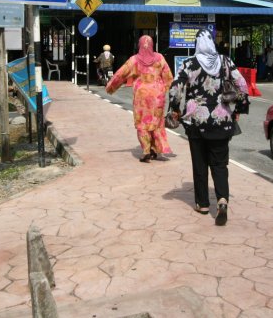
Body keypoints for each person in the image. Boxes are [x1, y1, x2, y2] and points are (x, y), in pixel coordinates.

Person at [168, 29, 250, 225]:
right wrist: (239, 106)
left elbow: (176, 87)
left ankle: (203, 204)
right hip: (222, 120)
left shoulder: (189, 64)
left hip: (196, 121)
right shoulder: (225, 61)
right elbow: (242, 83)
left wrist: (174, 109)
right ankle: (222, 200)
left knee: (200, 163)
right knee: (220, 163)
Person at [106, 35, 174, 162]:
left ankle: (146, 151)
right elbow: (168, 76)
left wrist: (110, 87)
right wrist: (168, 89)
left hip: (141, 97)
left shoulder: (134, 60)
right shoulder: (160, 58)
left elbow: (121, 74)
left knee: (143, 123)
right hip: (158, 96)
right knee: (156, 123)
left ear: (139, 45)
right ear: (152, 45)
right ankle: (156, 149)